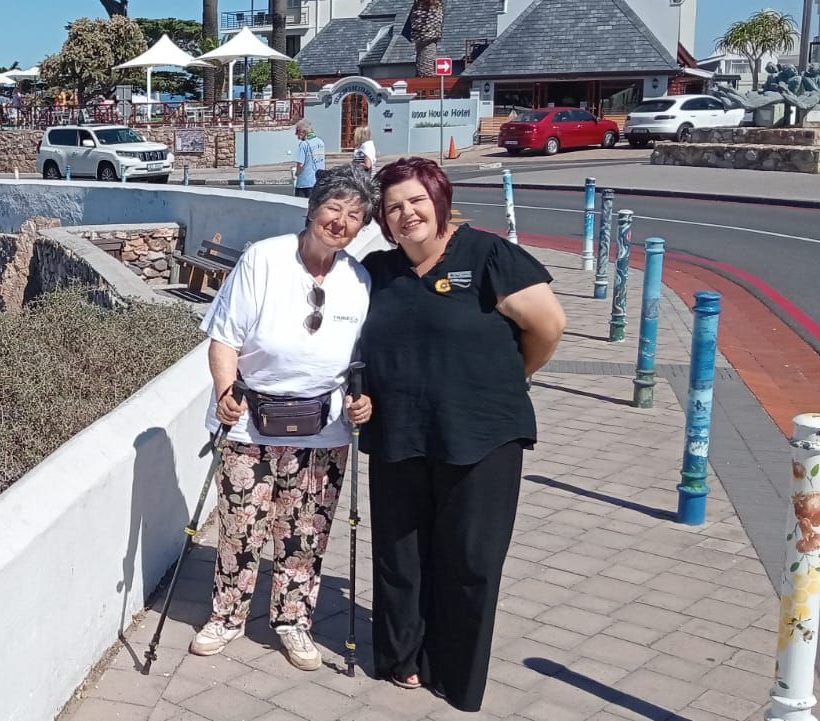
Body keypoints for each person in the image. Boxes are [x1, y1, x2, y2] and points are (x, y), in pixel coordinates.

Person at [360, 157, 567, 712]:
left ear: (439, 201)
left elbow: (548, 326)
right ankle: (403, 657)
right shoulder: (378, 270)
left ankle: (453, 671)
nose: (407, 214)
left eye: (416, 201)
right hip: (399, 433)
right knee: (401, 554)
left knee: (469, 559)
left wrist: (510, 377)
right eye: (393, 207)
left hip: (482, 434)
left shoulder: (488, 255)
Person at [189, 165, 377, 671]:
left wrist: (363, 401)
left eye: (354, 215)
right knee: (241, 526)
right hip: (250, 418)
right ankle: (227, 616)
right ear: (313, 208)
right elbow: (224, 338)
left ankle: (293, 621)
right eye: (333, 208)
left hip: (324, 429)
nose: (340, 222)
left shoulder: (358, 280)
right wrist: (224, 390)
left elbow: (362, 362)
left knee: (305, 532)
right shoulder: (263, 259)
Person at [290, 119, 327, 199]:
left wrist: (296, 173)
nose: (296, 134)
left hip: (305, 182)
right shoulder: (320, 142)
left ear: (302, 131)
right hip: (318, 181)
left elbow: (300, 164)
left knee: (300, 205)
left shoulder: (304, 144)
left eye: (297, 131)